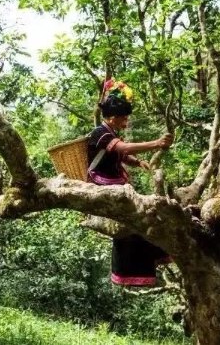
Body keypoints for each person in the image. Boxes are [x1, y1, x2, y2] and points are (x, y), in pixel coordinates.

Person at [87, 78, 174, 287]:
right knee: (133, 221)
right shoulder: (100, 133)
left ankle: (156, 255)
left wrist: (138, 162)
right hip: (102, 185)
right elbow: (122, 149)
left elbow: (121, 155)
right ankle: (129, 271)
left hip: (116, 183)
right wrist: (156, 143)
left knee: (144, 215)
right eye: (124, 118)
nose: (126, 122)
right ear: (114, 117)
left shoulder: (111, 132)